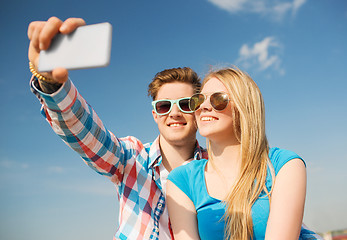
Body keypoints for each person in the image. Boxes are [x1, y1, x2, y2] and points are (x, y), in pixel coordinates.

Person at [28, 17, 207, 240]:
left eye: (185, 104)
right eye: (164, 106)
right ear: (155, 114)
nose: (175, 113)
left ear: (198, 109)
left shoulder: (215, 167)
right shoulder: (130, 158)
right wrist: (51, 84)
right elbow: (86, 132)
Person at [166, 67, 322, 239]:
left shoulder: (284, 165)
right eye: (198, 100)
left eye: (218, 99)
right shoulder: (181, 180)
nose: (203, 106)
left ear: (244, 107)